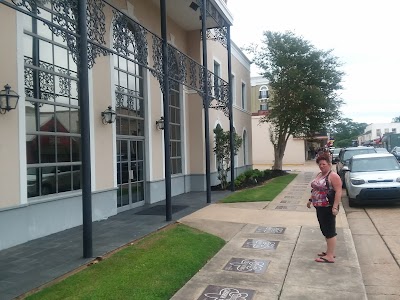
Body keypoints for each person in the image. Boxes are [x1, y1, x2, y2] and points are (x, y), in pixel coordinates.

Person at [306, 152, 342, 263]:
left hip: (328, 207)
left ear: (329, 164)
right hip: (319, 206)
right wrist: (310, 200)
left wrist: (335, 207)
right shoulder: (319, 175)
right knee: (325, 229)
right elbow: (316, 189)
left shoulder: (333, 176)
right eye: (320, 164)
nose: (322, 166)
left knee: (330, 230)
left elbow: (338, 192)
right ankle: (329, 251)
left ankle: (330, 256)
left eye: (324, 164)